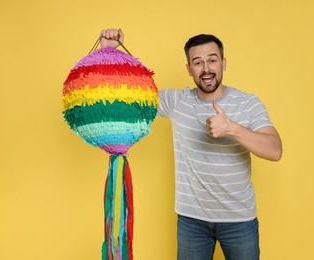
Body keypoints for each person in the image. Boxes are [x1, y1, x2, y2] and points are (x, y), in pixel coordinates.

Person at [100, 28, 282, 260]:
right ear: (189, 69)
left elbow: (275, 150)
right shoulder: (177, 101)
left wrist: (231, 128)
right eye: (198, 63)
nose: (206, 69)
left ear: (224, 63)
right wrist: (108, 53)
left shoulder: (247, 103)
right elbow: (125, 94)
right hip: (191, 221)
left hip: (239, 220)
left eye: (212, 60)